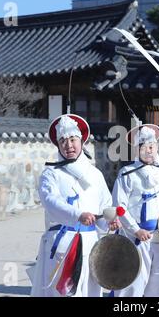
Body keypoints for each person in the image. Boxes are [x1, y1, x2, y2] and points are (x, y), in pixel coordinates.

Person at [30, 114, 120, 297]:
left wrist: (110, 220)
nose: (68, 145)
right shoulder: (51, 173)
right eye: (63, 140)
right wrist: (77, 214)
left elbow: (105, 204)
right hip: (62, 243)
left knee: (90, 292)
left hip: (91, 244)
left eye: (73, 139)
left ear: (81, 141)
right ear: (58, 144)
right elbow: (50, 201)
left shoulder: (95, 174)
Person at [112, 124, 159, 297]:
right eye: (143, 146)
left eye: (152, 146)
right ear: (137, 149)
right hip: (138, 237)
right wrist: (135, 229)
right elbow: (119, 206)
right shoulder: (127, 174)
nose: (149, 150)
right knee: (134, 283)